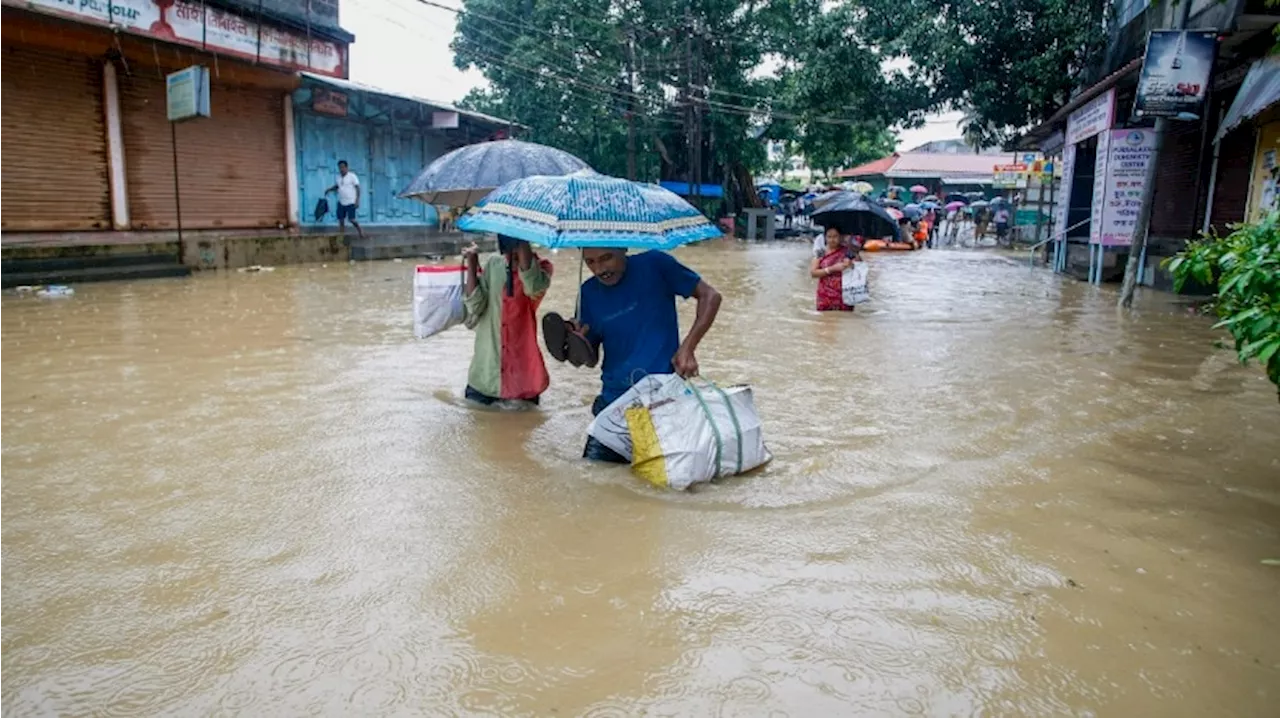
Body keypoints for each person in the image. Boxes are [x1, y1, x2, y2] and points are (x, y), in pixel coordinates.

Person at [542, 249, 722, 463]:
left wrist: (688, 348)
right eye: (590, 262)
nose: (599, 269)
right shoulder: (588, 292)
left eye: (605, 258)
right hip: (612, 405)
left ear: (623, 248)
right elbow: (591, 360)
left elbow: (710, 296)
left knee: (667, 484)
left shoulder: (656, 264)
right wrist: (576, 340)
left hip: (661, 402)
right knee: (594, 477)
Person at [461, 236, 553, 406]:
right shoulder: (494, 265)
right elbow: (475, 306)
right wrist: (472, 264)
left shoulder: (543, 269)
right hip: (485, 377)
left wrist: (521, 243)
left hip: (522, 381)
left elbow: (532, 287)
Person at [811, 226, 854, 312]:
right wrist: (832, 269)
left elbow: (857, 269)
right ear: (825, 238)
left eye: (835, 236)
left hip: (844, 295)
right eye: (829, 237)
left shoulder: (848, 252)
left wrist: (850, 264)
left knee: (845, 321)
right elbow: (813, 273)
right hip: (825, 296)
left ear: (840, 237)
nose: (832, 240)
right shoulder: (820, 252)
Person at [325, 160, 364, 239]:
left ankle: (360, 230)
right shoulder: (338, 178)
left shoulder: (352, 176)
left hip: (350, 202)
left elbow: (358, 188)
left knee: (352, 219)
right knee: (341, 220)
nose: (341, 169)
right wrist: (329, 189)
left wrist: (357, 200)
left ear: (346, 167)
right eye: (340, 167)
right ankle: (341, 235)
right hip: (341, 201)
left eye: (343, 167)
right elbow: (337, 186)